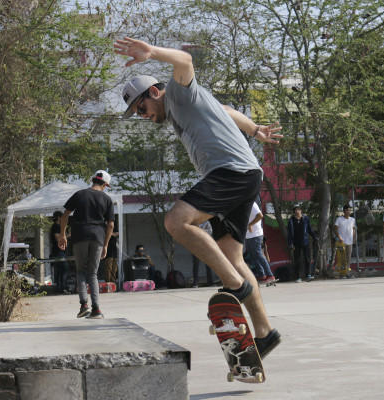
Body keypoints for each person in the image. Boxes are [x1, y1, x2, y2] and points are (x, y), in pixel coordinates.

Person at [115, 37, 283, 358]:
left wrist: (152, 53)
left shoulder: (178, 92)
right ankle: (265, 332)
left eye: (141, 108)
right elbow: (227, 111)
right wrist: (255, 129)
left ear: (153, 92)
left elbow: (185, 61)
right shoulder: (189, 108)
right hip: (241, 174)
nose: (142, 115)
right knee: (232, 257)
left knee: (176, 221)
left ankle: (235, 285)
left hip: (230, 171)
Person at [58, 170, 115, 319]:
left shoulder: (80, 194)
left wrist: (63, 235)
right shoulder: (107, 199)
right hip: (97, 237)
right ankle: (96, 309)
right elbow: (110, 225)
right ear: (105, 185)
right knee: (93, 273)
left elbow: (64, 216)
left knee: (81, 271)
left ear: (92, 180)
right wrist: (106, 244)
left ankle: (84, 306)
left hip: (80, 235)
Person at [245, 202, 276, 284]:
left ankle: (270, 275)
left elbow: (260, 215)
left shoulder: (252, 204)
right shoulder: (244, 204)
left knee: (258, 255)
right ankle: (262, 275)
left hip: (256, 234)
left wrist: (250, 225)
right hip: (248, 235)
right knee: (253, 256)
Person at [287, 205, 318, 282]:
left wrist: (314, 237)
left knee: (307, 259)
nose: (297, 211)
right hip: (296, 243)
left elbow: (309, 229)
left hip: (305, 241)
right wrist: (290, 243)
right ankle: (298, 277)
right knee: (297, 260)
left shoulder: (305, 218)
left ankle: (308, 275)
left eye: (298, 209)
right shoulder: (291, 220)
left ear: (301, 210)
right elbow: (290, 233)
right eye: (295, 210)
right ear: (294, 211)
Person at [333, 204, 356, 278]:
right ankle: (341, 274)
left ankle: (347, 273)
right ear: (343, 211)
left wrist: (354, 238)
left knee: (348, 259)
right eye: (346, 210)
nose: (348, 212)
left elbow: (354, 230)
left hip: (349, 242)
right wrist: (339, 237)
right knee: (341, 259)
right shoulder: (339, 219)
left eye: (349, 210)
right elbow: (335, 228)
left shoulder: (352, 220)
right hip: (341, 242)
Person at [50, 210, 70, 294]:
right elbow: (58, 239)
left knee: (61, 270)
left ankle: (60, 289)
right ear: (59, 218)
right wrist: (69, 235)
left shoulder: (60, 227)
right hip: (58, 251)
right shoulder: (55, 226)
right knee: (63, 268)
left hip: (61, 251)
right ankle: (60, 288)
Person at [192, 221, 215, 288]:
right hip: (196, 245)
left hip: (206, 245)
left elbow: (210, 232)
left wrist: (199, 230)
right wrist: (203, 230)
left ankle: (210, 282)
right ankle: (195, 283)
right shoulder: (194, 223)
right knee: (196, 265)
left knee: (208, 265)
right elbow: (192, 232)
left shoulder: (207, 222)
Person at [102, 217, 119, 283]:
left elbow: (117, 234)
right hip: (107, 250)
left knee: (114, 269)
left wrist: (110, 233)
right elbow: (104, 234)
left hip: (114, 250)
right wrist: (111, 234)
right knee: (108, 268)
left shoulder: (114, 226)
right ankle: (108, 283)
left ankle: (113, 283)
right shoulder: (103, 225)